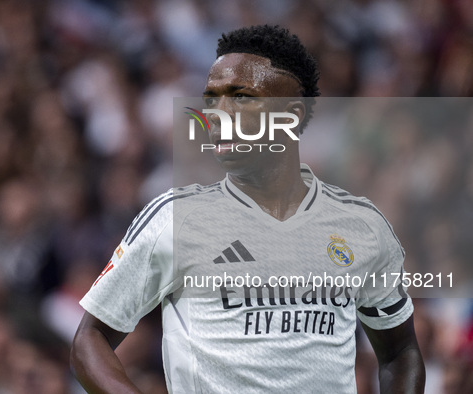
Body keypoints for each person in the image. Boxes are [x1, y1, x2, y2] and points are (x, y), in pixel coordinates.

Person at [71, 25, 425, 393]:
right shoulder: (175, 218)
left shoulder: (361, 226)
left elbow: (400, 352)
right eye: (211, 99)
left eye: (240, 97)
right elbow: (89, 339)